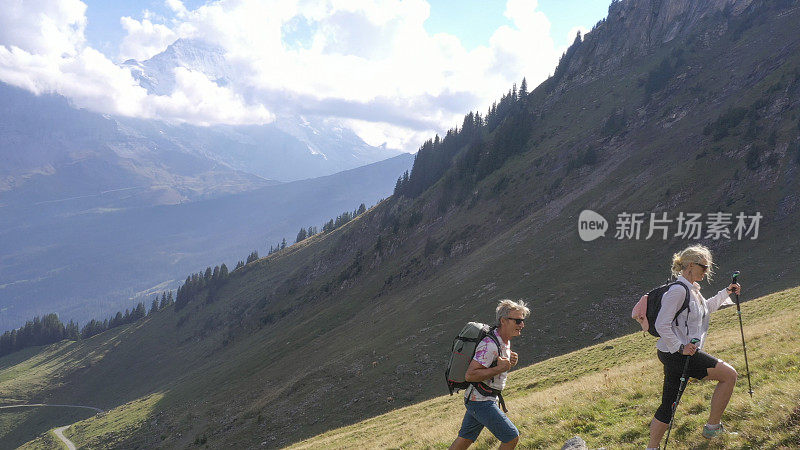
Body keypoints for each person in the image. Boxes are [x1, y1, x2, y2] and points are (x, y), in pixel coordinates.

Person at [647, 245, 741, 449]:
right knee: (729, 375)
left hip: (672, 353)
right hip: (679, 353)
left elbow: (705, 309)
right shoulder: (678, 291)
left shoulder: (692, 290)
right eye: (704, 267)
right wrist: (680, 347)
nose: (706, 271)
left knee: (669, 403)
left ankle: (652, 447)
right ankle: (712, 428)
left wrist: (727, 292)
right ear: (690, 265)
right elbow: (661, 323)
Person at [449, 299, 530, 450]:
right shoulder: (489, 345)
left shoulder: (504, 341)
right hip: (480, 400)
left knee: (464, 439)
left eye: (523, 320)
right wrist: (500, 368)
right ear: (503, 321)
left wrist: (509, 361)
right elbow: (470, 375)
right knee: (511, 437)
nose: (522, 325)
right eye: (518, 321)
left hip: (478, 398)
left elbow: (498, 366)